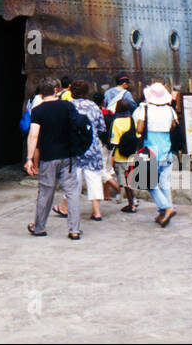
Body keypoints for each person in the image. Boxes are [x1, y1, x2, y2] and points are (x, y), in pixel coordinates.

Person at [25, 78, 82, 239]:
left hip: (49, 157)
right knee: (71, 192)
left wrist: (29, 158)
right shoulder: (68, 106)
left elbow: (34, 135)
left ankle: (39, 227)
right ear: (56, 90)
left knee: (45, 192)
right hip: (68, 156)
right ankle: (74, 230)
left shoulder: (38, 111)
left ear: (41, 92)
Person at [54, 80, 107, 221]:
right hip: (92, 147)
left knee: (72, 179)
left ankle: (66, 208)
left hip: (73, 148)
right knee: (94, 178)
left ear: (72, 91)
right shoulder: (94, 106)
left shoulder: (68, 106)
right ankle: (97, 212)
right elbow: (102, 128)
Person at [134, 82, 180, 227]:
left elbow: (140, 129)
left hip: (150, 150)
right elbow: (174, 125)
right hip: (166, 149)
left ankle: (167, 207)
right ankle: (163, 213)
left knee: (148, 182)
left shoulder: (144, 109)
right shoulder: (170, 110)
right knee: (164, 183)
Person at [107, 99, 142, 213]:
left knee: (125, 183)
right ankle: (133, 200)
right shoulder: (132, 120)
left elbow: (114, 142)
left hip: (120, 156)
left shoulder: (116, 122)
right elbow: (137, 135)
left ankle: (131, 204)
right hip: (132, 154)